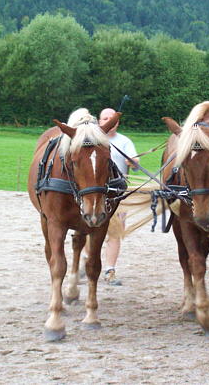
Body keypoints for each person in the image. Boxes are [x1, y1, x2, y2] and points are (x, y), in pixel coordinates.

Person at [85, 108, 139, 286]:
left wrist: (133, 162)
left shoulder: (125, 141)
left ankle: (110, 269)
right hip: (93, 194)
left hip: (117, 196)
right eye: (106, 118)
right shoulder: (91, 140)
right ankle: (86, 262)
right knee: (86, 231)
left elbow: (135, 164)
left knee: (114, 234)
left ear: (118, 122)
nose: (110, 121)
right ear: (99, 121)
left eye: (113, 118)